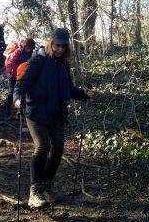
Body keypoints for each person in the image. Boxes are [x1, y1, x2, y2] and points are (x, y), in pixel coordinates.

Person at [13, 28, 94, 208]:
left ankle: (47, 186)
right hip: (35, 111)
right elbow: (21, 83)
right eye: (57, 45)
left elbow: (68, 89)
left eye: (64, 46)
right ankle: (34, 192)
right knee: (43, 146)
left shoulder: (63, 64)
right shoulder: (38, 61)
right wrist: (18, 99)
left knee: (58, 149)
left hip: (56, 111)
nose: (60, 49)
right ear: (51, 43)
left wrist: (83, 94)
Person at [4, 38, 36, 119]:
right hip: (14, 76)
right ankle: (6, 114)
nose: (29, 50)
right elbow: (10, 62)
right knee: (11, 93)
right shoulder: (18, 51)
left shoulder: (32, 54)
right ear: (25, 46)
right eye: (28, 48)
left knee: (24, 94)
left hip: (24, 77)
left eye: (30, 48)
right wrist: (8, 72)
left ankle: (20, 113)